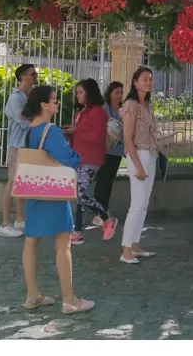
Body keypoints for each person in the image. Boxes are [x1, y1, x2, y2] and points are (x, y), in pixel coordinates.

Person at [19, 85, 96, 319]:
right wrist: (76, 156)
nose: (57, 103)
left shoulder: (30, 128)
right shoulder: (50, 130)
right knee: (63, 244)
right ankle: (69, 299)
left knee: (31, 242)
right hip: (53, 192)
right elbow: (68, 157)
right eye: (54, 100)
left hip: (33, 190)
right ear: (44, 105)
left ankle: (33, 295)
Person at [63, 78, 118, 244]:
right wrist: (69, 133)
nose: (78, 96)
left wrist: (76, 131)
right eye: (77, 93)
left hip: (91, 158)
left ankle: (107, 218)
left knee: (81, 194)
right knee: (81, 195)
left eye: (80, 92)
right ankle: (78, 231)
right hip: (79, 157)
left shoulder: (98, 112)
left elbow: (96, 136)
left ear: (89, 93)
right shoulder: (81, 113)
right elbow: (80, 134)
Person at [119, 67, 162, 264]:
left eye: (150, 79)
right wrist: (138, 165)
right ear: (135, 82)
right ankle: (126, 249)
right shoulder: (131, 105)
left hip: (150, 154)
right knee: (136, 205)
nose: (148, 82)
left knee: (143, 205)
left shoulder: (147, 105)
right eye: (144, 79)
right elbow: (128, 138)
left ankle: (135, 244)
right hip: (138, 155)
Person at [0, 64, 37, 238]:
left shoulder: (28, 96)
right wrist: (34, 117)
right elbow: (23, 120)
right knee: (12, 182)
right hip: (17, 145)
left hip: (26, 145)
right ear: (23, 76)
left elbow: (29, 117)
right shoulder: (16, 98)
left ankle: (20, 219)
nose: (35, 76)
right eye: (32, 74)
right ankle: (5, 223)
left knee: (21, 183)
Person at [93, 81, 125, 213]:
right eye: (116, 92)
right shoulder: (104, 108)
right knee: (102, 181)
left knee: (109, 181)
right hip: (104, 150)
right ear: (109, 93)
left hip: (117, 151)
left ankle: (103, 210)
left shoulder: (124, 110)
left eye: (121, 93)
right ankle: (99, 211)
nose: (119, 95)